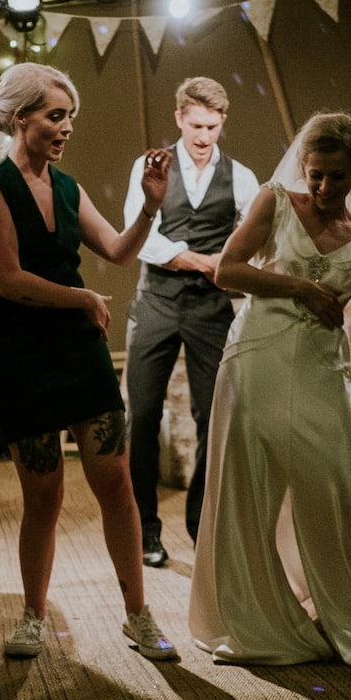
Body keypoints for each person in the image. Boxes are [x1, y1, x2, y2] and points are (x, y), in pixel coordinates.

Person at [188, 112, 351, 666]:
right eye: (315, 174)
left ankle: (334, 609)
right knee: (248, 491)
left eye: (336, 177)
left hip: (322, 372)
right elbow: (227, 271)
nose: (323, 188)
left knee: (336, 489)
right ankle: (254, 620)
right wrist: (300, 286)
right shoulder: (275, 202)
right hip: (255, 359)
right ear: (303, 167)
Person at [0, 62, 178, 662]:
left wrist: (149, 209)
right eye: (56, 116)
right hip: (24, 355)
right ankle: (33, 615)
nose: (66, 128)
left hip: (78, 351)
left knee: (116, 486)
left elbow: (115, 251)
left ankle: (137, 614)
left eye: (71, 119)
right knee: (45, 497)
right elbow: (7, 281)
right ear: (19, 117)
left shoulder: (68, 186)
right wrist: (82, 296)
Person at [122, 76, 259, 567]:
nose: (204, 136)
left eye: (213, 126)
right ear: (179, 118)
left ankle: (203, 525)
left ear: (223, 122)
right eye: (196, 125)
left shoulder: (242, 176)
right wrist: (208, 261)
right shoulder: (150, 165)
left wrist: (236, 262)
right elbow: (144, 240)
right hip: (155, 302)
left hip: (210, 310)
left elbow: (254, 239)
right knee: (141, 416)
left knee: (215, 417)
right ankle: (145, 531)